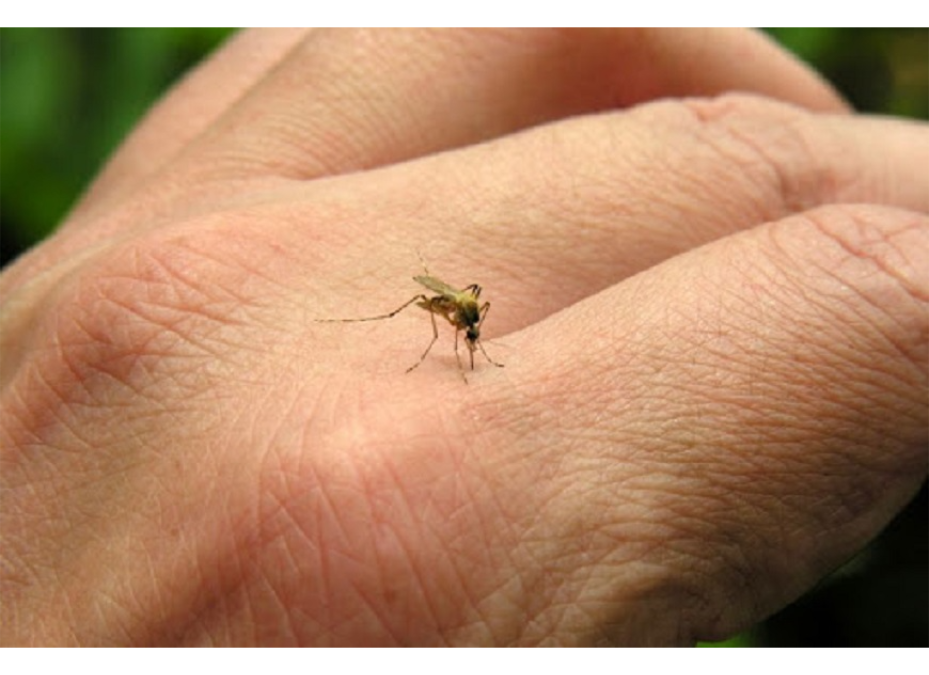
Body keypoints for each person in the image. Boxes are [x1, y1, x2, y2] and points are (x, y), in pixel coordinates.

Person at [1, 26, 927, 647]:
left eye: (469, 319)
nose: (468, 324)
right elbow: (441, 303)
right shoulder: (441, 310)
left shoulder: (472, 310)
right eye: (467, 320)